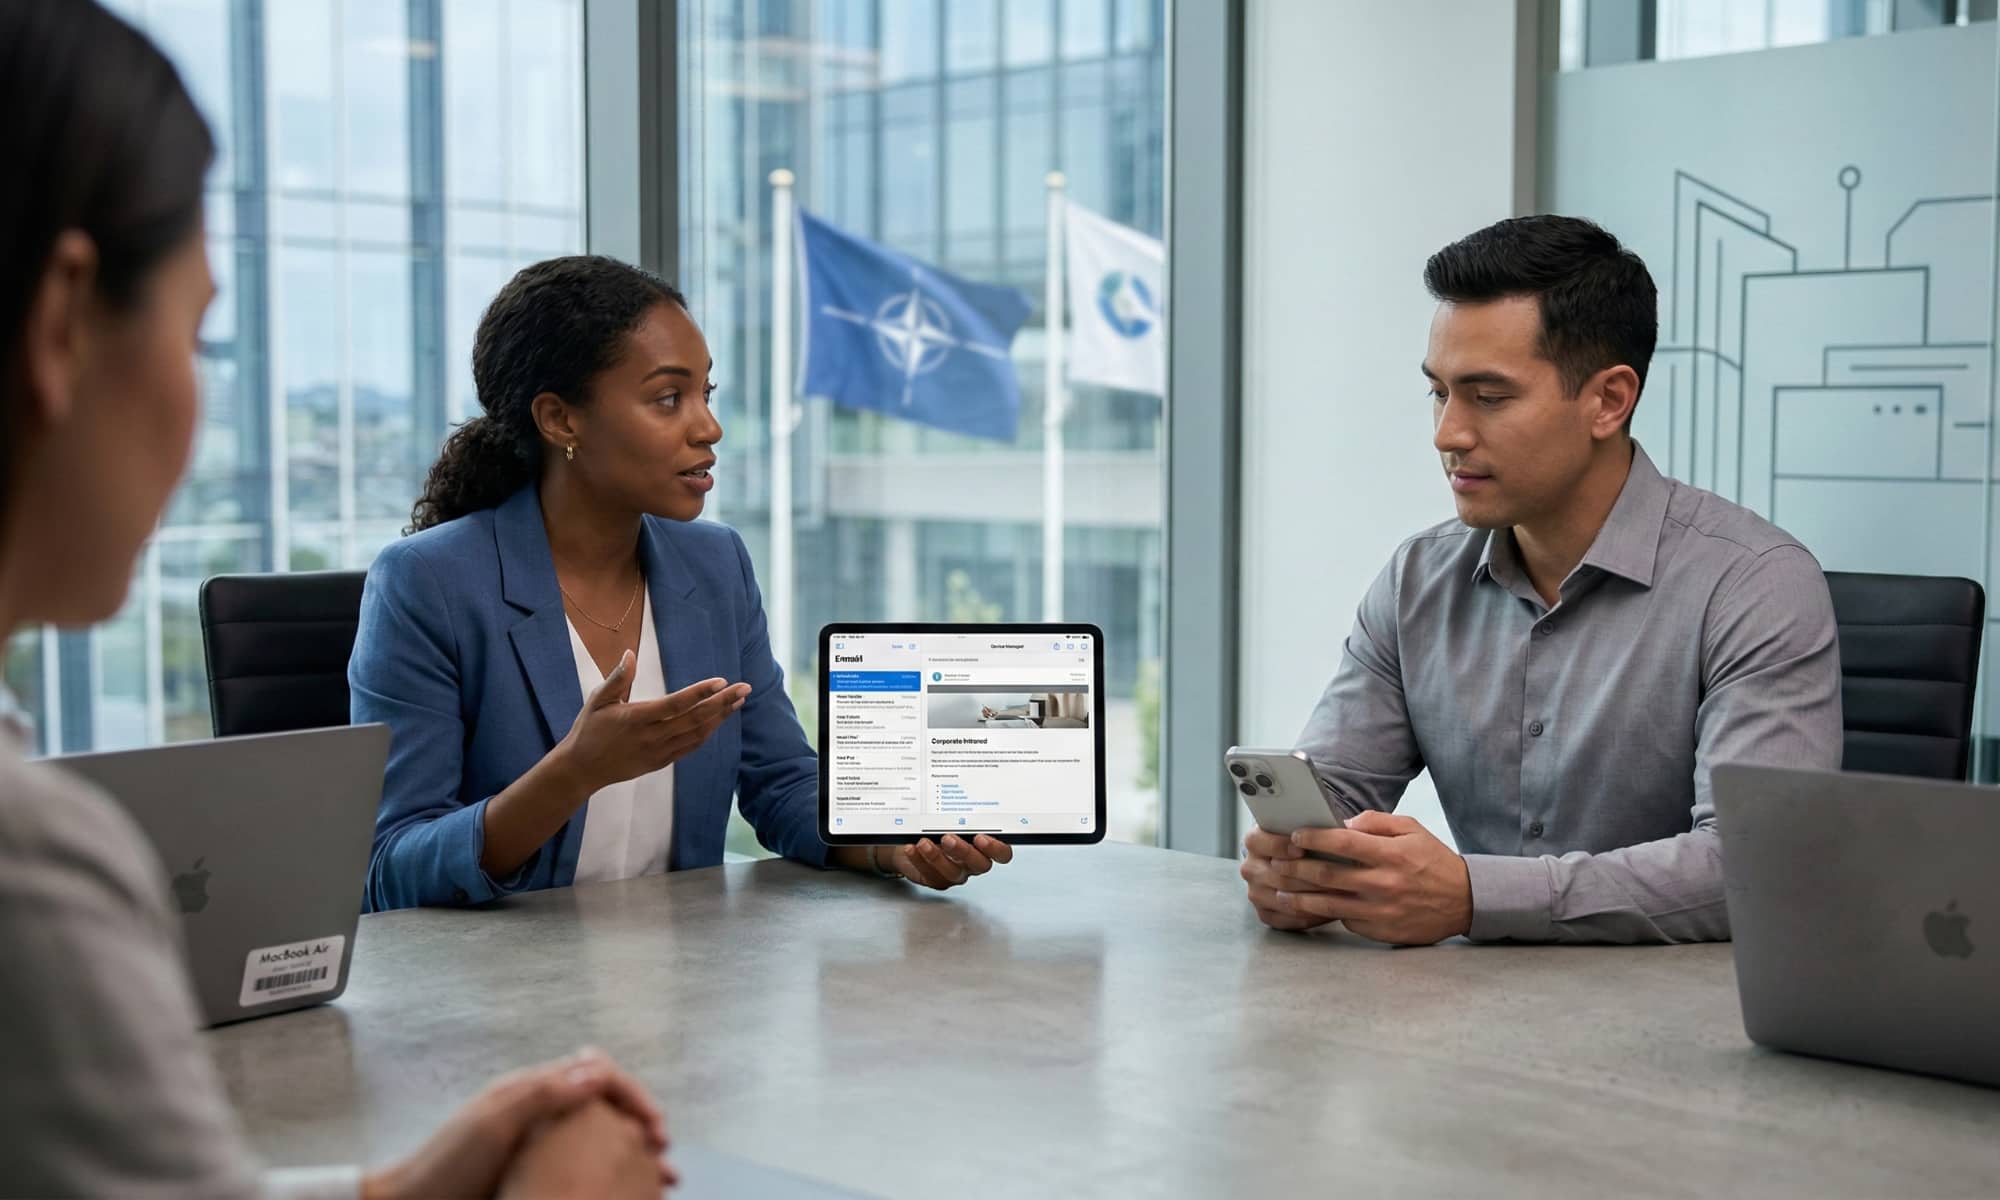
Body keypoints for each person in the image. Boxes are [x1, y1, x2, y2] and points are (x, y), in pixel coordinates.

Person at [0, 2, 675, 1196]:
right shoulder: (29, 860)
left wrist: (402, 1189)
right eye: (199, 339)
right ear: (62, 324)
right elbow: (392, 862)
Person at [1239, 215, 1842, 946]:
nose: (1447, 433)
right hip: (1473, 1002)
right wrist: (1302, 866)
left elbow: (1754, 865)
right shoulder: (1415, 580)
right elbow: (1334, 792)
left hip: (1688, 1008)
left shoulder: (1754, 585)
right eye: (1439, 392)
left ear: (1609, 401)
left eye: (1489, 397)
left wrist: (1476, 897)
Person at [352, 255, 1012, 910]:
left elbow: (781, 782)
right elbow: (392, 866)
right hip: (502, 972)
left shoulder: (715, 563)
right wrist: (573, 773)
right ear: (560, 420)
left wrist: (891, 843)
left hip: (689, 963)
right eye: (669, 399)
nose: (709, 428)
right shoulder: (428, 582)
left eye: (706, 394)